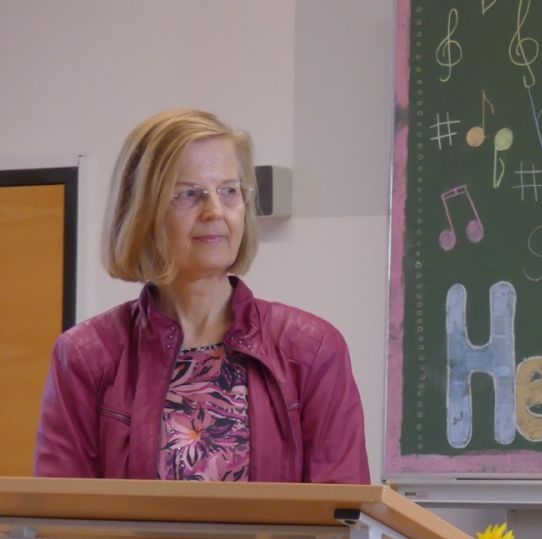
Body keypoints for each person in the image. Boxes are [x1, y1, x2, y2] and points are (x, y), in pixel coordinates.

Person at [34, 108, 369, 483]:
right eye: (189, 194)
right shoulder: (86, 356)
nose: (215, 211)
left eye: (229, 191)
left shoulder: (312, 350)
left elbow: (341, 508)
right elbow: (61, 510)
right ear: (142, 211)